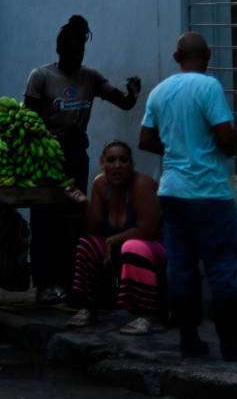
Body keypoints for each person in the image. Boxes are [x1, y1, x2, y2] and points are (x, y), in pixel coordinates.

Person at [139, 32, 237, 362]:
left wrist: (176, 150)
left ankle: (189, 341)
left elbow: (145, 139)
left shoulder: (159, 91)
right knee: (222, 266)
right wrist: (225, 147)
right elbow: (226, 136)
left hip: (172, 191)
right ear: (209, 55)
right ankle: (234, 344)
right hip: (209, 192)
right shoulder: (209, 87)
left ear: (176, 57)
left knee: (181, 268)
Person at [24, 14, 142, 303]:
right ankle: (44, 282)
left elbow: (123, 102)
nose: (77, 58)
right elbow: (25, 121)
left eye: (81, 53)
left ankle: (70, 279)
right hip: (47, 156)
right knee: (45, 217)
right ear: (60, 51)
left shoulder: (90, 77)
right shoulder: (41, 77)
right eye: (72, 53)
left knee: (74, 217)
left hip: (77, 152)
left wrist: (133, 93)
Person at [66, 140, 165, 334]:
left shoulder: (142, 185)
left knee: (134, 247)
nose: (117, 165)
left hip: (152, 247)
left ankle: (149, 315)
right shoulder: (100, 183)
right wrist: (84, 203)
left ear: (131, 164)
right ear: (103, 164)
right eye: (111, 160)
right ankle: (88, 307)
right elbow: (93, 226)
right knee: (87, 244)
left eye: (123, 160)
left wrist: (113, 241)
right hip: (117, 247)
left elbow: (147, 229)